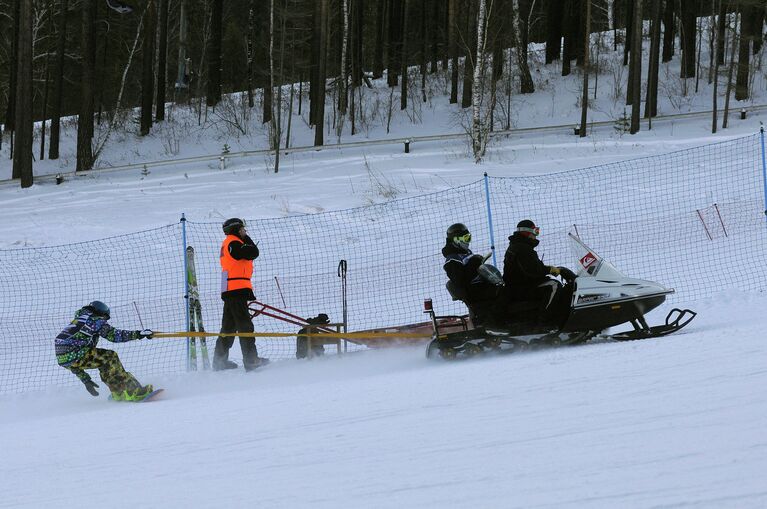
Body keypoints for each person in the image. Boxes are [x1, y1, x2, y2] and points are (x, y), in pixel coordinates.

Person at [55, 300, 154, 401]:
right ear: (101, 313)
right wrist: (138, 334)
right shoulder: (94, 320)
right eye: (105, 318)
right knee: (111, 357)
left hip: (64, 357)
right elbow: (114, 335)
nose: (105, 321)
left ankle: (118, 393)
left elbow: (68, 360)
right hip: (76, 353)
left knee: (105, 363)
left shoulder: (79, 320)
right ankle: (133, 391)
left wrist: (86, 380)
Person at [214, 217, 269, 372]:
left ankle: (219, 362)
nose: (245, 231)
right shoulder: (234, 243)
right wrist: (246, 238)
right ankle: (251, 361)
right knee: (245, 326)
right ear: (236, 230)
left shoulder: (229, 243)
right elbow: (253, 252)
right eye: (243, 229)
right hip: (236, 289)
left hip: (230, 289)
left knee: (228, 327)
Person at [503, 219, 576, 324]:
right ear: (527, 232)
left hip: (519, 285)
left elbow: (530, 267)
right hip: (520, 287)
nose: (536, 235)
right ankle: (546, 321)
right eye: (535, 231)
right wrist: (549, 270)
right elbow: (532, 270)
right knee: (553, 286)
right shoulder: (522, 248)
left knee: (550, 283)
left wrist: (548, 269)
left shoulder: (518, 245)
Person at [442, 223, 500, 325]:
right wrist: (474, 263)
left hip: (481, 286)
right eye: (465, 238)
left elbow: (473, 269)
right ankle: (493, 324)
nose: (468, 241)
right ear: (456, 240)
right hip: (474, 292)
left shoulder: (465, 252)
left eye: (469, 237)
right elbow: (460, 281)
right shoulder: (452, 259)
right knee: (503, 295)